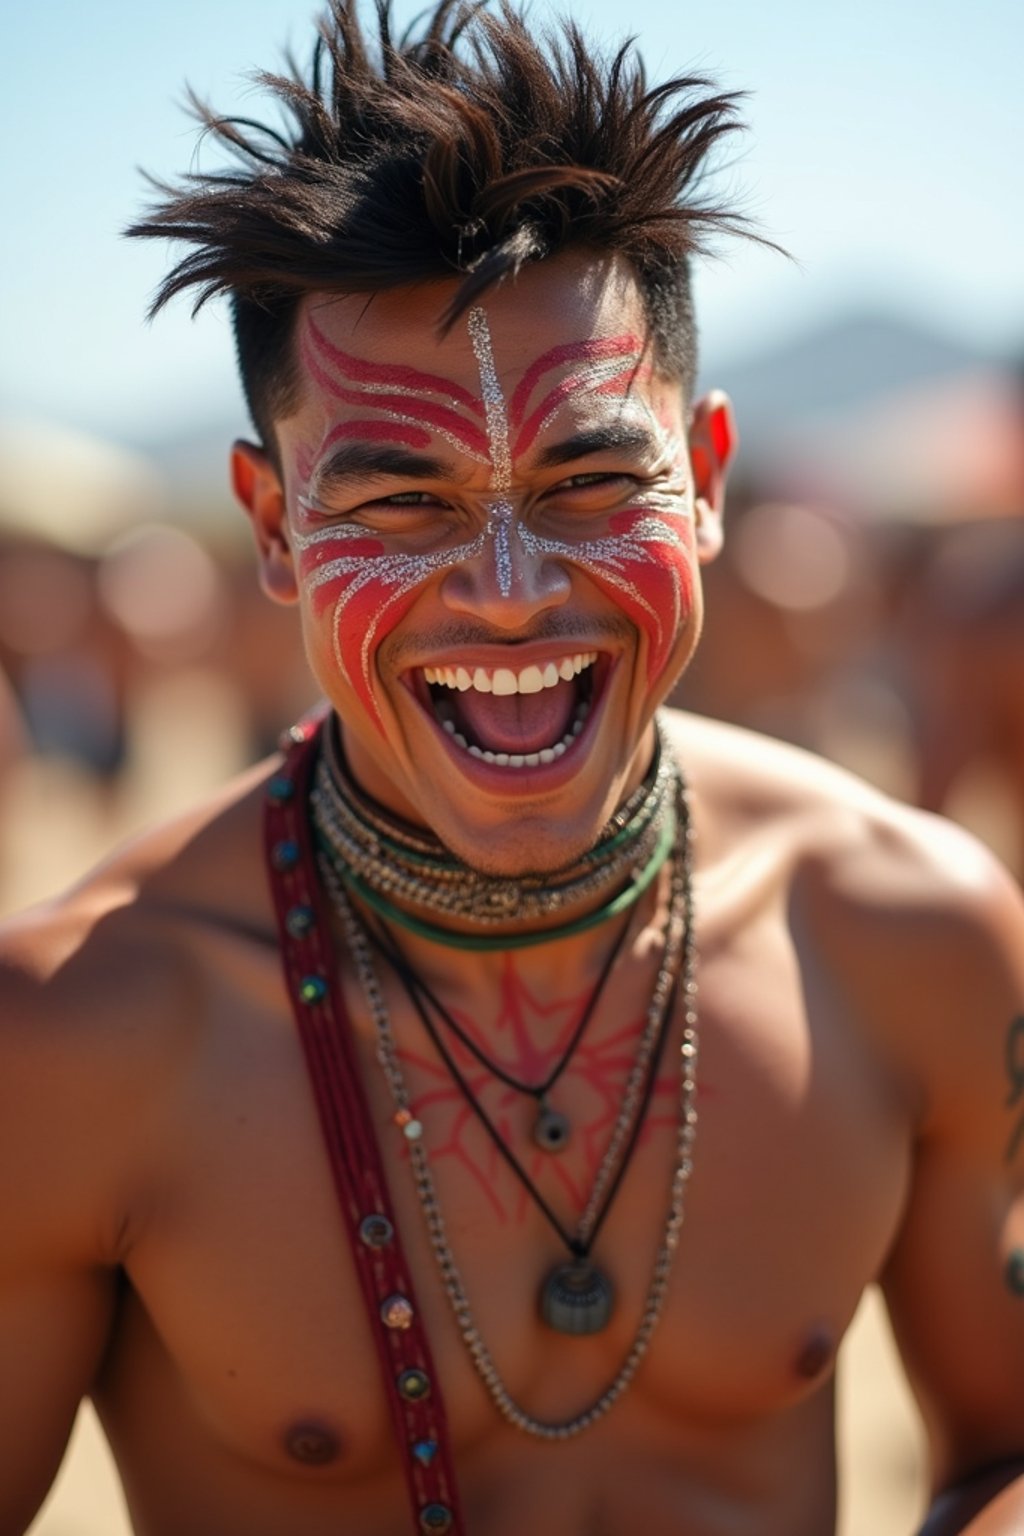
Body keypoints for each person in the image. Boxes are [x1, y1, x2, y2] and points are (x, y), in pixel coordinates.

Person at [3, 4, 1024, 1533]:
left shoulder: (911, 932)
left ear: (711, 483)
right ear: (274, 529)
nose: (506, 589)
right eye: (398, 502)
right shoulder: (77, 1037)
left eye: (592, 480)